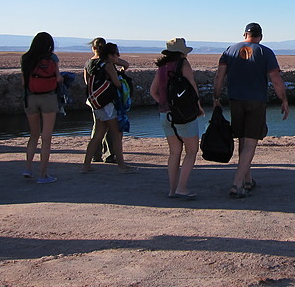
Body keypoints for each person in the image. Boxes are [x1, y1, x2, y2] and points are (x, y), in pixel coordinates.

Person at [213, 23, 289, 199]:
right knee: (251, 141)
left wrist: (216, 97)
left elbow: (219, 75)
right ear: (260, 37)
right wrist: (283, 100)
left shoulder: (229, 50)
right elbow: (276, 79)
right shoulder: (265, 52)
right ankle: (237, 184)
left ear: (244, 35)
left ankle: (248, 179)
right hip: (256, 100)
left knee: (242, 138)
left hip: (235, 100)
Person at [150, 38, 205, 199]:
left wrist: (165, 105)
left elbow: (153, 92)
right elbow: (193, 88)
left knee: (174, 153)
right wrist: (198, 108)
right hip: (183, 116)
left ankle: (172, 190)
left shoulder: (161, 67)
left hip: (165, 115)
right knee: (191, 151)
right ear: (182, 52)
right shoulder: (183, 65)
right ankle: (182, 188)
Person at [82, 43, 137, 173]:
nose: (118, 56)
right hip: (108, 105)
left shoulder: (95, 64)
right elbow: (117, 84)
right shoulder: (108, 66)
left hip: (97, 103)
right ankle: (122, 166)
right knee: (117, 134)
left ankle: (86, 165)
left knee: (98, 135)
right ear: (110, 55)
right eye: (116, 54)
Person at [20, 32, 62, 184]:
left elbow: (23, 82)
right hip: (49, 98)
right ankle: (43, 175)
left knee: (34, 134)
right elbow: (58, 78)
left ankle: (28, 168)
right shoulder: (52, 58)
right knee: (46, 137)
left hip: (31, 98)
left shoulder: (26, 58)